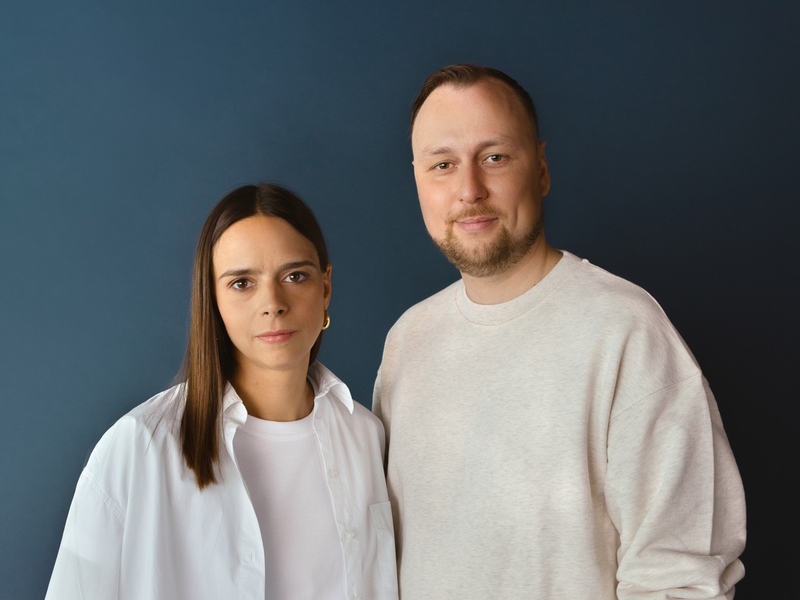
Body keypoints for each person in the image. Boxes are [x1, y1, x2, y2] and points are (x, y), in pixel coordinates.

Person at [372, 64, 746, 599]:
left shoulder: (626, 330)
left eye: (494, 157)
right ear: (418, 181)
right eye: (442, 164)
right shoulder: (407, 341)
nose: (469, 189)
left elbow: (679, 577)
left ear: (541, 170)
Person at [46, 183, 398, 600]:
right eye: (241, 283)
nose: (273, 302)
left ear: (325, 287)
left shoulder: (366, 436)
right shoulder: (139, 446)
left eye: (295, 275)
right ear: (212, 298)